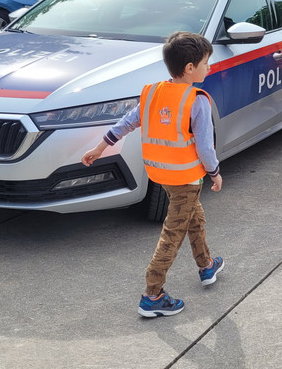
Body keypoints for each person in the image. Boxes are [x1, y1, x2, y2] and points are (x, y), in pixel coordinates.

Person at [81, 32, 224, 317]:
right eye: (206, 62)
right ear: (189, 68)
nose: (210, 67)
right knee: (173, 233)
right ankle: (153, 294)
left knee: (194, 217)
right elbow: (205, 148)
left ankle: (207, 265)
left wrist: (100, 147)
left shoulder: (153, 92)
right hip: (186, 176)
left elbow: (126, 123)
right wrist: (215, 173)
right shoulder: (197, 100)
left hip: (162, 174)